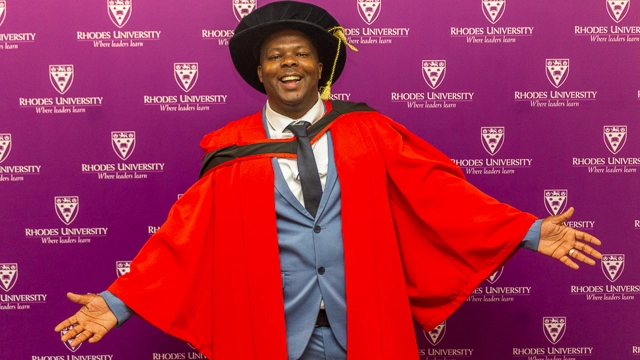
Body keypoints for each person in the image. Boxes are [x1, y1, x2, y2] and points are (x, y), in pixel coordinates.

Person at [55, 2, 602, 359]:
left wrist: (529, 232)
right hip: (269, 330)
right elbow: (182, 238)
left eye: (301, 54)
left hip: (361, 324)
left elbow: (441, 194)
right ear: (261, 72)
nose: (288, 64)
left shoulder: (368, 130)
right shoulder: (231, 149)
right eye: (275, 57)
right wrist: (118, 303)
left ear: (322, 67)